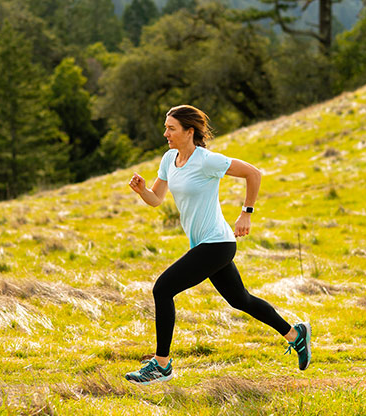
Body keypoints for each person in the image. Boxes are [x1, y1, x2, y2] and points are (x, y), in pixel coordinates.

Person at [125, 105, 311, 385]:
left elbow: (253, 173)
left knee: (162, 289)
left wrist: (246, 212)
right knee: (240, 300)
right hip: (205, 244)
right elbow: (157, 199)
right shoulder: (168, 159)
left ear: (189, 131)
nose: (165, 133)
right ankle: (295, 335)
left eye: (171, 128)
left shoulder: (207, 160)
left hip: (218, 243)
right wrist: (143, 192)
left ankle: (161, 365)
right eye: (166, 127)